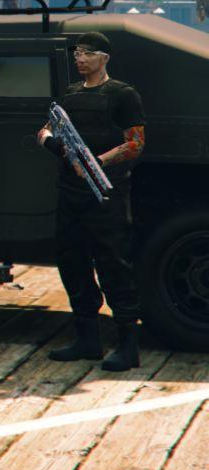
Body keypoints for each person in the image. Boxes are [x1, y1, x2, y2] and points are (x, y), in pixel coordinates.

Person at [38, 31, 146, 370]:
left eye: (87, 53)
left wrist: (97, 162)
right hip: (71, 192)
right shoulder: (70, 95)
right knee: (72, 262)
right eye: (77, 53)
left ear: (104, 57)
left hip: (106, 192)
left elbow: (136, 143)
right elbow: (46, 131)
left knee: (114, 264)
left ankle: (128, 347)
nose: (80, 58)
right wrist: (59, 148)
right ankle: (88, 340)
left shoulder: (123, 95)